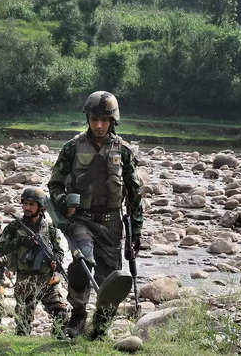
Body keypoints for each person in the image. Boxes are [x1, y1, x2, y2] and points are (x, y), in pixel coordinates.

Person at [48, 90, 143, 339]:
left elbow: (134, 193)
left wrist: (137, 230)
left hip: (112, 224)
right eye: (94, 119)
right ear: (87, 119)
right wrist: (63, 202)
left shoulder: (123, 151)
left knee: (113, 279)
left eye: (104, 120)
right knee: (83, 262)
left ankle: (100, 326)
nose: (99, 125)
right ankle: (78, 315)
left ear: (113, 121)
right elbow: (55, 184)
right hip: (82, 220)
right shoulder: (72, 148)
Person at [0, 187, 69, 338]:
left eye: (31, 204)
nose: (27, 208)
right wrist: (20, 241)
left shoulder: (50, 228)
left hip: (47, 281)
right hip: (25, 281)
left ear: (41, 207)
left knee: (61, 313)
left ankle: (57, 345)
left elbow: (59, 251)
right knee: (23, 327)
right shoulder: (15, 227)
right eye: (25, 204)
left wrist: (56, 261)